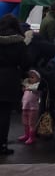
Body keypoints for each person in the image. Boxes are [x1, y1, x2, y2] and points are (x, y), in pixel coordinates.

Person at [0, 13, 29, 155]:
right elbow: (25, 63)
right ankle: (2, 144)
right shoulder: (19, 42)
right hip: (9, 80)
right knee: (4, 114)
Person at [18, 69, 41, 145]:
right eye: (29, 77)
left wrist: (27, 87)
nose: (30, 79)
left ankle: (32, 137)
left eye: (32, 77)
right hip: (25, 107)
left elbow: (35, 89)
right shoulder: (27, 85)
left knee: (31, 123)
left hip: (33, 108)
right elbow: (24, 84)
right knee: (25, 122)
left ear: (38, 79)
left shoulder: (37, 86)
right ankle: (26, 135)